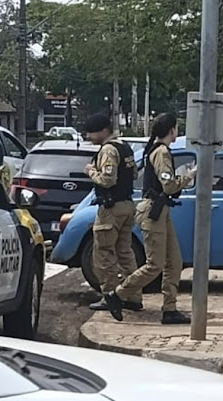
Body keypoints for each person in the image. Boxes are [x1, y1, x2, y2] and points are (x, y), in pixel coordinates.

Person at [105, 113, 197, 325]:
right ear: (171, 130)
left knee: (174, 262)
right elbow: (169, 185)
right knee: (154, 264)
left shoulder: (158, 150)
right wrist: (189, 176)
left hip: (160, 211)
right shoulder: (161, 152)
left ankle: (170, 308)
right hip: (152, 212)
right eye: (176, 128)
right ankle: (117, 294)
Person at [83, 113, 143, 312]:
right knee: (125, 252)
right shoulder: (125, 147)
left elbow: (108, 180)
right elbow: (134, 174)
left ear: (103, 131)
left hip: (111, 208)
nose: (89, 137)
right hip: (127, 204)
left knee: (104, 254)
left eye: (91, 133)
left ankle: (109, 296)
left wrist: (91, 171)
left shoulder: (108, 150)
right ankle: (133, 295)